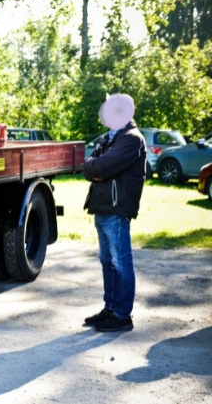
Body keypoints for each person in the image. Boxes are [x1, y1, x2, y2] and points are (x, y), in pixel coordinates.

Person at [82, 93, 147, 332]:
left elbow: (103, 166)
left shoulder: (131, 139)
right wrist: (96, 168)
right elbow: (89, 165)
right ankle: (110, 308)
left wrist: (98, 168)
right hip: (102, 206)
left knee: (121, 262)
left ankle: (122, 315)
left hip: (116, 208)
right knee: (107, 261)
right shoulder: (112, 138)